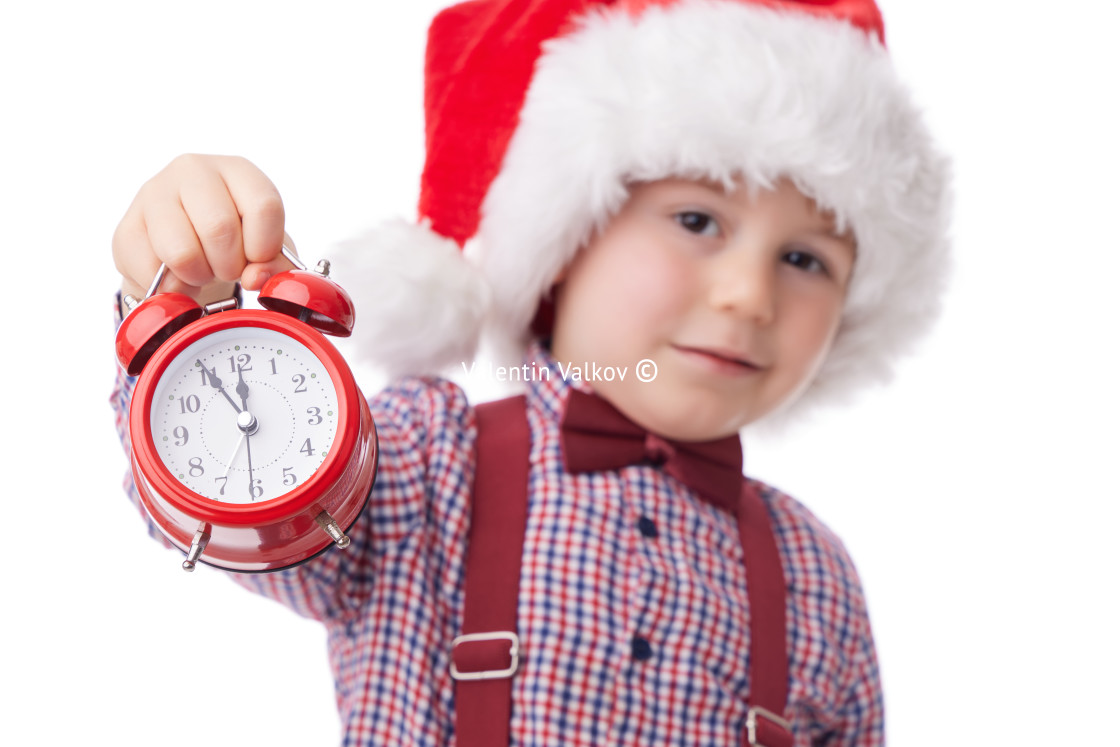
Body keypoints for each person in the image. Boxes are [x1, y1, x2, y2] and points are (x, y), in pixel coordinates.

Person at [110, 0, 951, 744]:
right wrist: (199, 317)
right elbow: (250, 508)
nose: (749, 295)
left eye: (806, 257)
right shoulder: (428, 461)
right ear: (562, 238)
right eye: (696, 218)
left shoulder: (817, 577)